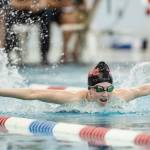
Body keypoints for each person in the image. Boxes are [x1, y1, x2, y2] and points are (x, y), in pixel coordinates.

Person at [0, 61, 149, 107]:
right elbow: (33, 93)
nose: (105, 94)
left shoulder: (119, 96)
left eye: (109, 88)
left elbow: (143, 89)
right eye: (99, 89)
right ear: (90, 90)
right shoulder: (73, 99)